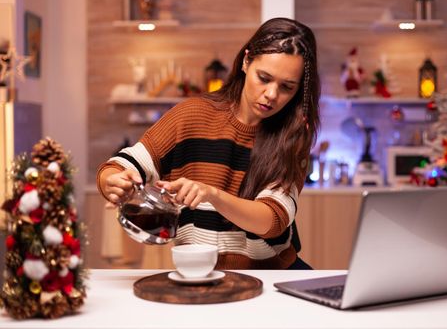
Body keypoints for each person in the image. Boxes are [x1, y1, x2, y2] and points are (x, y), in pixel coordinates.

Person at [97, 17, 320, 270]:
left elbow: (272, 220)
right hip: (201, 273)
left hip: (273, 274)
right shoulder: (191, 114)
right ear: (246, 62)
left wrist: (212, 194)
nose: (271, 94)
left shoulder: (292, 135)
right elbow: (122, 165)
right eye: (264, 78)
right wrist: (113, 182)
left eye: (286, 87)